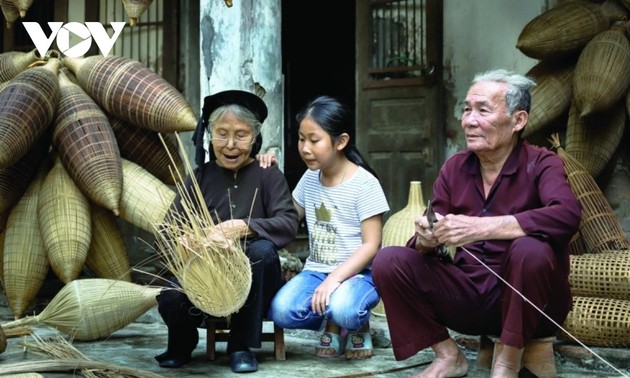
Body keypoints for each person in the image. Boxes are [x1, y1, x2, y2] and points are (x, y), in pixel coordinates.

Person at [371, 69, 582, 378]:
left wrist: (482, 227)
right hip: (470, 297)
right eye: (467, 110)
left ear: (518, 120)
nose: (469, 120)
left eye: (483, 110)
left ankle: (507, 362)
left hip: (534, 305)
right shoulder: (455, 168)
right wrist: (428, 238)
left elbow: (567, 215)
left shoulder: (541, 163)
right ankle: (447, 356)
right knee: (389, 260)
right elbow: (432, 237)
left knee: (530, 250)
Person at [154, 90, 299, 373]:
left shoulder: (267, 174)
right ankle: (182, 344)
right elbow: (167, 230)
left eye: (241, 135)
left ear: (254, 137)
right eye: (222, 134)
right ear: (210, 135)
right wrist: (183, 242)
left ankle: (240, 346)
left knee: (262, 251)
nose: (231, 144)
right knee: (170, 294)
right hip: (206, 277)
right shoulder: (199, 178)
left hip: (254, 281)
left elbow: (288, 222)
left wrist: (244, 227)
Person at [268, 95, 390, 361]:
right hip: (316, 272)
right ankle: (332, 319)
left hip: (358, 275)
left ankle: (354, 323)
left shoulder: (364, 184)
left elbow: (372, 245)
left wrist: (334, 280)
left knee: (345, 308)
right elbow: (287, 217)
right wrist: (270, 177)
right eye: (302, 139)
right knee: (281, 310)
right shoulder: (310, 178)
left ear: (341, 141)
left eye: (314, 140)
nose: (305, 148)